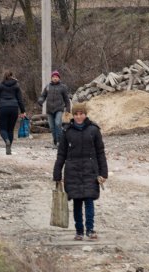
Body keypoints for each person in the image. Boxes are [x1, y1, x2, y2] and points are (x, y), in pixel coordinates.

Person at [53, 103, 108, 240]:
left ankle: (90, 229)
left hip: (90, 170)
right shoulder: (67, 131)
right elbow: (61, 154)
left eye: (81, 113)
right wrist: (57, 173)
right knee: (77, 202)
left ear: (85, 114)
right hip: (73, 171)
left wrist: (103, 172)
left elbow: (100, 152)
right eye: (76, 114)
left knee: (89, 201)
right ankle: (79, 231)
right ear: (73, 115)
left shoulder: (94, 130)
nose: (78, 117)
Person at [0, 70, 26, 155]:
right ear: (12, 75)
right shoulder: (16, 85)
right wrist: (23, 111)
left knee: (3, 129)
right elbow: (20, 100)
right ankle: (9, 148)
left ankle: (6, 141)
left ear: (3, 76)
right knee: (10, 130)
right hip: (14, 108)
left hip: (3, 108)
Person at [37, 70, 71, 147]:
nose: (55, 78)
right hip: (49, 110)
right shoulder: (48, 87)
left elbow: (66, 99)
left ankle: (60, 141)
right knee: (52, 127)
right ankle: (55, 142)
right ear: (51, 78)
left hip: (59, 109)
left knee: (58, 123)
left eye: (56, 77)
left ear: (59, 78)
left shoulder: (63, 87)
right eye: (53, 77)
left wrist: (68, 110)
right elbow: (43, 96)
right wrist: (40, 101)